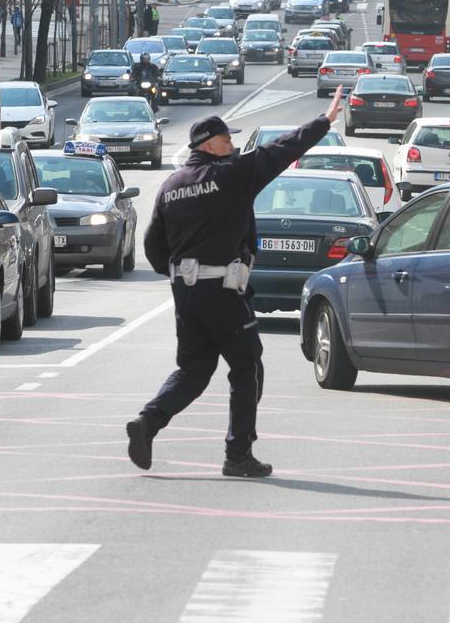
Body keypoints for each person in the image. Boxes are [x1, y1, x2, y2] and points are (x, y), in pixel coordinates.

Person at [126, 87, 347, 476]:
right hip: (224, 292)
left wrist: (181, 276)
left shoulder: (172, 186)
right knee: (247, 368)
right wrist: (324, 121)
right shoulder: (233, 175)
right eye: (227, 140)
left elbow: (152, 245)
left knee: (194, 370)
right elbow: (282, 150)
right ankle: (238, 455)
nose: (234, 145)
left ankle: (148, 422)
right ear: (210, 146)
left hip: (187, 293)